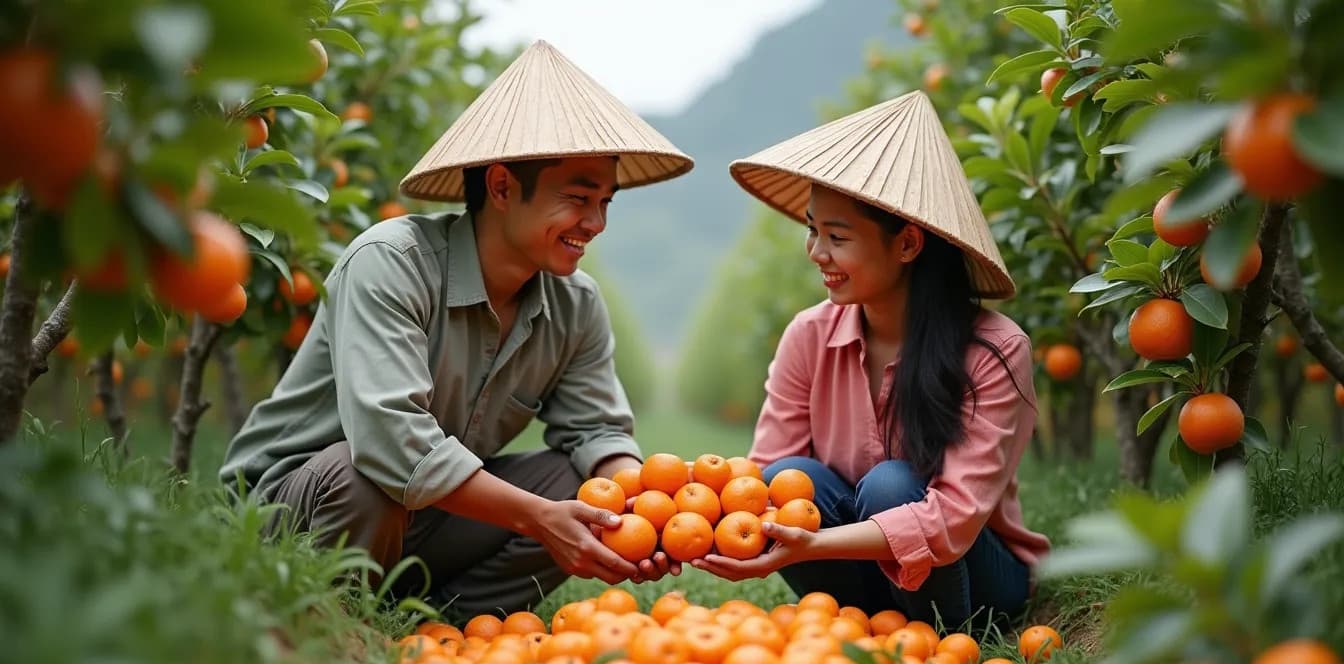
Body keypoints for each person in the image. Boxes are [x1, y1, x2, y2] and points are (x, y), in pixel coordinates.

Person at [219, 40, 694, 618]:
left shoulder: (576, 305)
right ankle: (321, 617)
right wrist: (539, 518)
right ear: (500, 187)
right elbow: (392, 444)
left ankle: (438, 624)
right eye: (577, 199)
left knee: (582, 484)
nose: (595, 223)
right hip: (296, 507)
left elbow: (596, 430)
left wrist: (640, 506)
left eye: (605, 203)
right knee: (363, 474)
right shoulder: (391, 262)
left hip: (420, 516)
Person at [693, 91, 1050, 631]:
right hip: (853, 564)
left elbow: (954, 518)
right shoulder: (808, 336)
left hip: (976, 575)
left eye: (837, 236)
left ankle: (943, 639)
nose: (816, 253)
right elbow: (766, 472)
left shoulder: (993, 350)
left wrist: (815, 542)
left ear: (907, 245)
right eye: (813, 230)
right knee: (790, 478)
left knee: (890, 486)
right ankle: (863, 626)